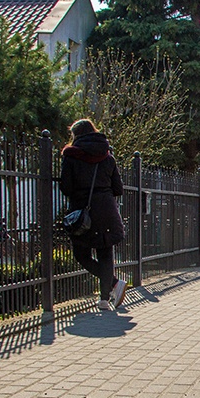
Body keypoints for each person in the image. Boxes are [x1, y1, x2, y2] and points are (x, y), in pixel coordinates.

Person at [59, 119, 127, 311]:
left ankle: (115, 284)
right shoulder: (107, 157)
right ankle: (104, 299)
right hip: (106, 210)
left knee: (81, 254)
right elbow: (118, 189)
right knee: (105, 252)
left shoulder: (71, 156)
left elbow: (66, 187)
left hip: (83, 211)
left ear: (76, 135)